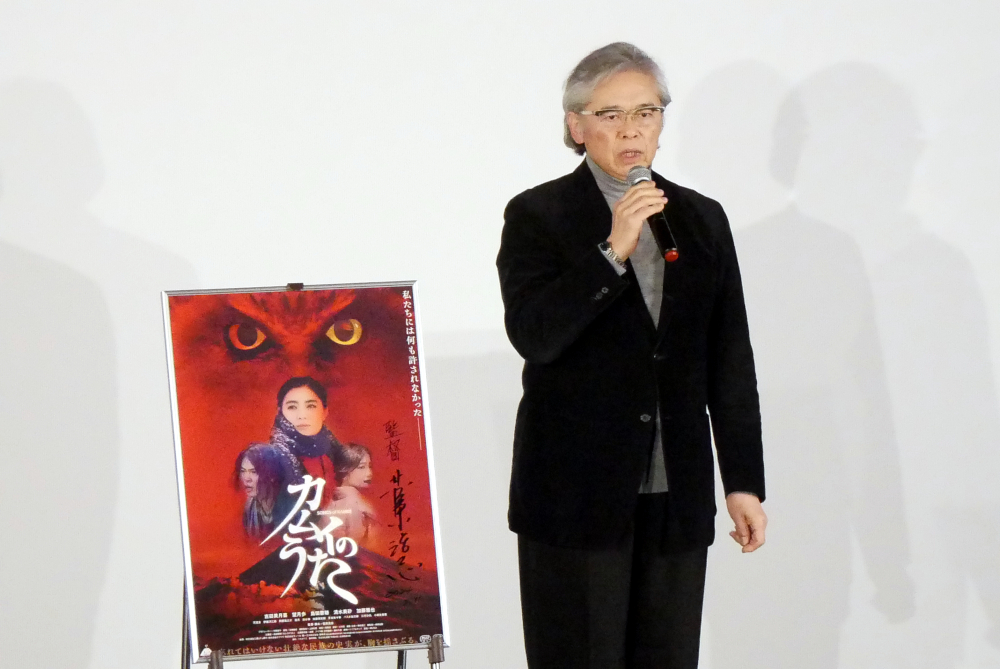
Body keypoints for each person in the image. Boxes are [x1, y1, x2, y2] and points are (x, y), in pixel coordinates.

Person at [496, 42, 767, 669]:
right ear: (576, 125)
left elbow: (730, 359)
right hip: (575, 496)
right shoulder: (538, 215)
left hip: (677, 492)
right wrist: (612, 250)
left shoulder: (700, 218)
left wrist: (743, 482)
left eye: (646, 112)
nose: (631, 130)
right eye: (611, 114)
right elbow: (535, 335)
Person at [270, 376, 342, 505]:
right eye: (292, 407)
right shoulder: (271, 460)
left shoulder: (337, 453)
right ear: (280, 412)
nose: (302, 416)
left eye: (311, 406)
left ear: (325, 411)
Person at [233, 442, 296, 540]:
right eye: (243, 471)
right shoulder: (250, 508)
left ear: (272, 475)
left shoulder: (292, 506)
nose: (246, 478)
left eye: (254, 472)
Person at [323, 442, 378, 547]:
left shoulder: (331, 501)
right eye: (361, 467)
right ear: (344, 469)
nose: (369, 473)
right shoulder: (354, 503)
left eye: (370, 466)